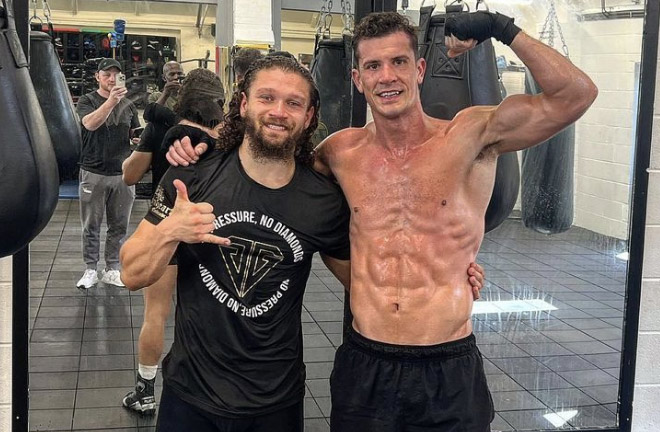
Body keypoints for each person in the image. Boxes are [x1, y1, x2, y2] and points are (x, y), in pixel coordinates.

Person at [167, 10, 597, 431]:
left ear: (421, 68)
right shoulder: (340, 152)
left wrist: (502, 29)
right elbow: (273, 165)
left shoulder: (472, 136)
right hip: (366, 363)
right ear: (357, 79)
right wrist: (203, 151)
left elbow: (575, 94)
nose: (386, 76)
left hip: (448, 364)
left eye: (399, 62)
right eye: (373, 65)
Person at [120, 55, 487, 431]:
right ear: (244, 104)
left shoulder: (322, 200)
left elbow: (372, 281)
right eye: (267, 98)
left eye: (293, 103)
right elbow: (132, 273)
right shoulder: (194, 175)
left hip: (275, 401)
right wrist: (170, 231)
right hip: (191, 395)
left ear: (309, 116)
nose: (278, 112)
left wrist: (450, 275)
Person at [120, 68, 225, 415]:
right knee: (215, 312)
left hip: (169, 219)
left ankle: (145, 391)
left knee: (157, 313)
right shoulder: (229, 136)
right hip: (212, 230)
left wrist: (158, 140)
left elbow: (130, 176)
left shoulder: (164, 128)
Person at [75, 58, 140, 289]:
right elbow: (90, 124)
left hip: (122, 173)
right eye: (107, 74)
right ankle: (91, 268)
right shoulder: (87, 100)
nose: (111, 79)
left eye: (116, 75)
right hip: (93, 171)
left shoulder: (129, 105)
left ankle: (112, 268)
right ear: (98, 77)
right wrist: (111, 101)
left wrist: (138, 138)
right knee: (91, 224)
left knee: (119, 225)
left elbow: (134, 132)